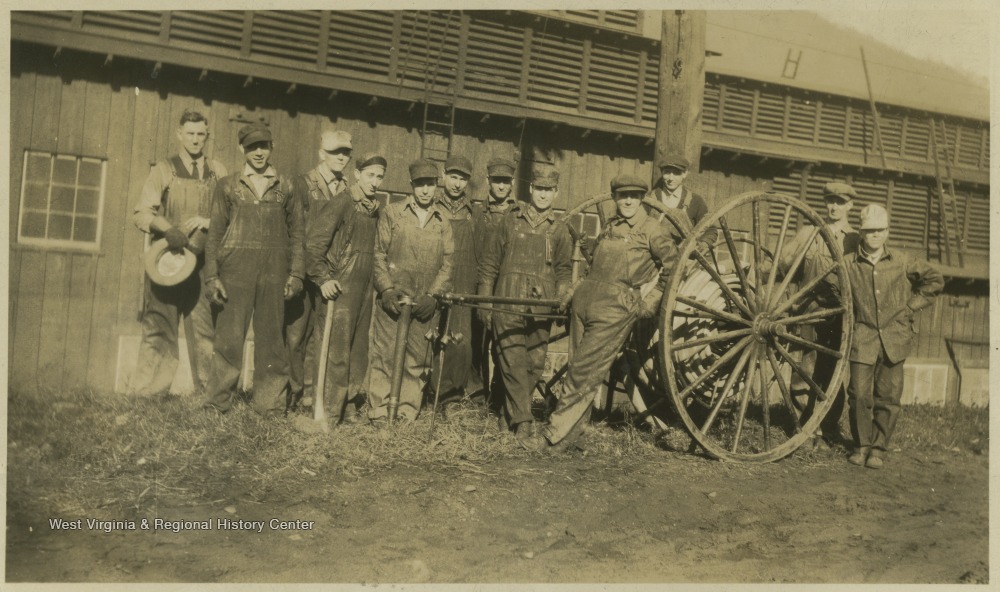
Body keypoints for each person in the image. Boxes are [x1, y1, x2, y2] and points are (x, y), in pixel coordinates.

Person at [525, 174, 678, 452]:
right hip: (585, 301)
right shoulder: (610, 226)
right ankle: (572, 437)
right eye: (622, 196)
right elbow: (592, 266)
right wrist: (573, 291)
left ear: (642, 198)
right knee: (578, 369)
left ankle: (552, 436)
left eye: (633, 195)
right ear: (616, 198)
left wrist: (652, 301)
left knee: (582, 372)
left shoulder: (653, 229)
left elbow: (675, 267)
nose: (628, 201)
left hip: (615, 308)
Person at [202, 123, 305, 416]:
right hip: (234, 271)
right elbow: (214, 236)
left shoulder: (286, 185)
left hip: (275, 271)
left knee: (272, 341)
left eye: (263, 146)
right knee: (228, 339)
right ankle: (217, 403)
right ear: (241, 150)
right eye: (252, 147)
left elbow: (298, 234)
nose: (258, 153)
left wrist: (296, 273)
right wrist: (212, 276)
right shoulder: (228, 186)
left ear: (271, 148)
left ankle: (269, 405)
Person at [130, 109, 228, 396]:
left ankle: (209, 396)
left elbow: (229, 214)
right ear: (179, 134)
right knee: (160, 325)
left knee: (205, 329)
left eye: (201, 134)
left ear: (207, 136)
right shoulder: (164, 169)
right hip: (168, 261)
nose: (196, 140)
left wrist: (209, 222)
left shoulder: (218, 171)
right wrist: (167, 228)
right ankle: (148, 393)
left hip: (203, 262)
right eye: (190, 133)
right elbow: (141, 213)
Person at [841, 204, 943, 469]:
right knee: (859, 395)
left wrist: (911, 307)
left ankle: (878, 449)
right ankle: (861, 445)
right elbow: (832, 290)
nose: (875, 235)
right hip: (861, 337)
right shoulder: (848, 264)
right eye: (870, 230)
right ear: (861, 233)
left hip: (895, 338)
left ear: (887, 231)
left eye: (881, 230)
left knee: (888, 396)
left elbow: (934, 281)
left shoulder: (903, 261)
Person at [478, 165, 573, 444]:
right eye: (539, 189)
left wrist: (562, 295)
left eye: (549, 190)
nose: (543, 195)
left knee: (534, 362)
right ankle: (524, 420)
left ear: (556, 193)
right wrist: (485, 302)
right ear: (531, 189)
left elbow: (564, 271)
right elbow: (490, 263)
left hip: (540, 303)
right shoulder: (511, 220)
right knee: (511, 359)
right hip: (506, 297)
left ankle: (508, 414)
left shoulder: (559, 230)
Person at [368, 159, 455, 423]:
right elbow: (379, 254)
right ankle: (380, 411)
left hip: (424, 301)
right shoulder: (392, 213)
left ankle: (406, 411)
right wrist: (386, 290)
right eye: (420, 185)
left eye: (430, 184)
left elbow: (449, 263)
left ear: (436, 186)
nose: (425, 190)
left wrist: (434, 296)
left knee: (417, 358)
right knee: (385, 353)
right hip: (394, 298)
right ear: (411, 185)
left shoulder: (443, 221)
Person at [777, 181, 860, 448]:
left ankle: (828, 427)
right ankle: (802, 427)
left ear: (850, 205)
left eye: (840, 202)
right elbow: (782, 265)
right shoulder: (809, 233)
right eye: (830, 201)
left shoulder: (856, 240)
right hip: (808, 312)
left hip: (839, 315)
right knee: (805, 367)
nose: (834, 207)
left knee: (833, 369)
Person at [305, 152, 385, 426]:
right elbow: (314, 243)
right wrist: (323, 278)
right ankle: (328, 408)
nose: (375, 181)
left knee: (358, 349)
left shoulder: (375, 209)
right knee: (336, 349)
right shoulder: (342, 202)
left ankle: (348, 404)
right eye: (370, 175)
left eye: (380, 176)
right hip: (341, 283)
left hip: (365, 286)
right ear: (357, 174)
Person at [286, 130, 353, 409]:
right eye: (335, 151)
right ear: (321, 154)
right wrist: (297, 271)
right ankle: (291, 393)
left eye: (346, 152)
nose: (341, 157)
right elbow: (294, 232)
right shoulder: (302, 184)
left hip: (330, 274)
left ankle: (313, 397)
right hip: (304, 269)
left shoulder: (348, 189)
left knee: (320, 336)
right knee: (295, 335)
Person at [433, 155, 482, 402]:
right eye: (453, 177)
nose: (457, 184)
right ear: (443, 176)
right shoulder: (432, 207)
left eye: (462, 179)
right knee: (434, 333)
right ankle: (433, 392)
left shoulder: (474, 213)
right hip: (437, 277)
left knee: (461, 339)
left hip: (464, 281)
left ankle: (455, 394)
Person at [474, 156, 520, 409]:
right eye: (496, 181)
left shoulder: (518, 213)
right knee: (477, 342)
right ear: (488, 181)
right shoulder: (478, 212)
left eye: (505, 182)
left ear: (512, 183)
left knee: (503, 344)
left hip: (507, 287)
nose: (501, 187)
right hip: (481, 284)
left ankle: (499, 395)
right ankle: (476, 395)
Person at [646, 153, 716, 251]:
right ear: (662, 173)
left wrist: (702, 245)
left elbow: (710, 230)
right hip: (652, 258)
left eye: (676, 173)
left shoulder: (695, 201)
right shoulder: (649, 199)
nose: (671, 178)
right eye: (667, 172)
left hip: (682, 259)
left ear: (685, 174)